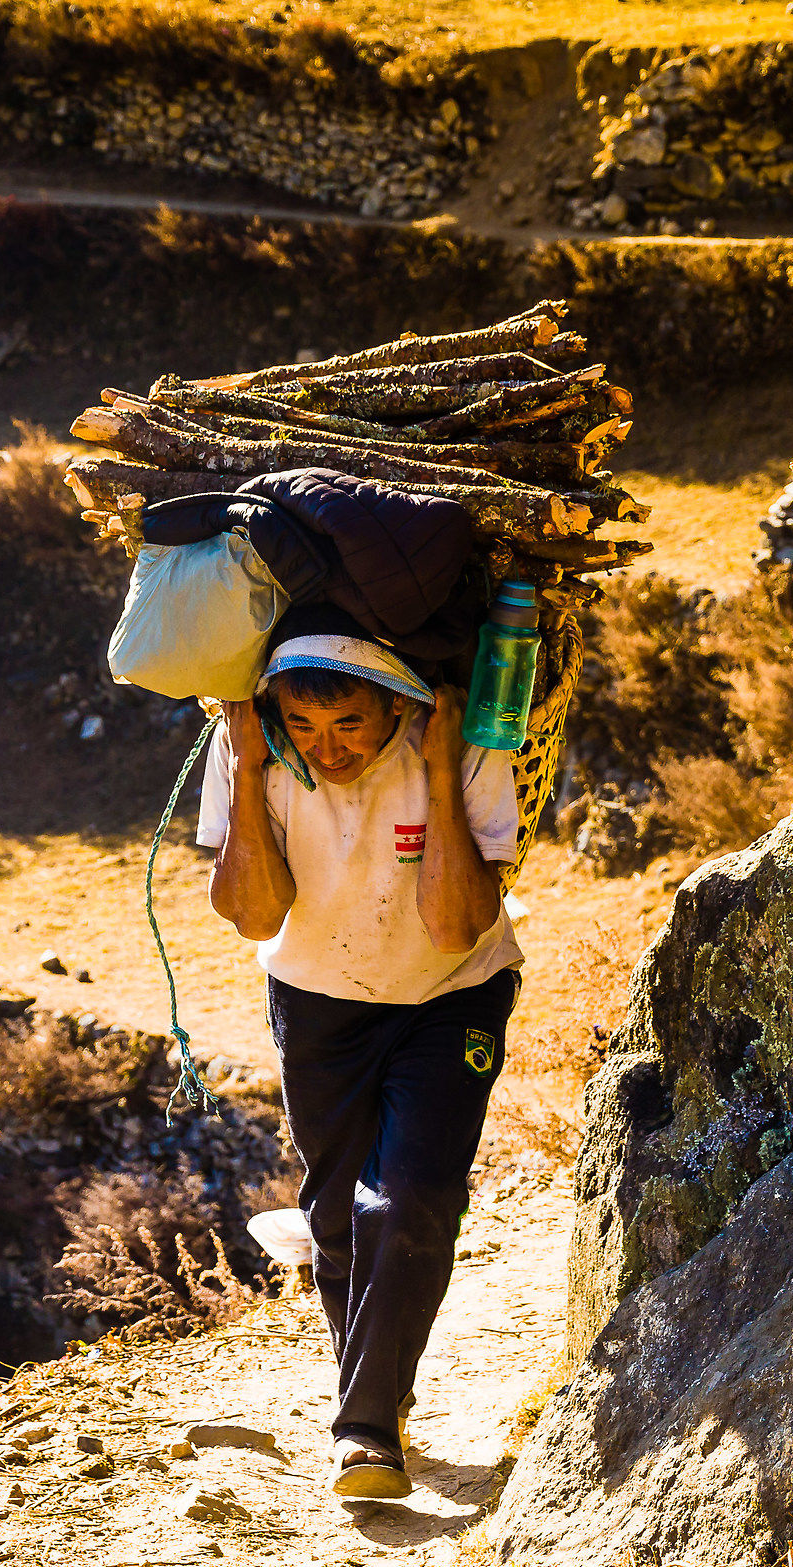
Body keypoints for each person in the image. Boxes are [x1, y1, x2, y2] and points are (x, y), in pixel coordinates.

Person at [195, 613, 524, 1501]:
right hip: (316, 999)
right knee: (336, 1213)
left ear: (395, 705)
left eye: (347, 724)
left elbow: (459, 925)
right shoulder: (253, 751)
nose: (326, 748)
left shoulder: (469, 745)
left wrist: (441, 770)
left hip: (451, 995)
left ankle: (365, 1429)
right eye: (303, 725)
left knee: (414, 1190)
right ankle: (378, 1395)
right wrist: (257, 761)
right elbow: (257, 915)